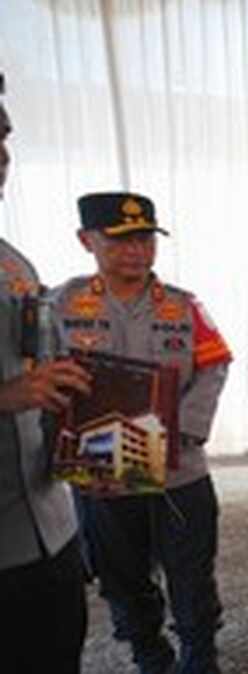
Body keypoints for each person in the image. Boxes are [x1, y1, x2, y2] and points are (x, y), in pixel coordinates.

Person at [51, 191, 232, 674]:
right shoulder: (60, 305)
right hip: (102, 473)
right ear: (87, 240)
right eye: (122, 240)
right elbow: (37, 373)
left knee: (191, 572)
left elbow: (215, 366)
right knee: (121, 574)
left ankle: (199, 655)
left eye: (146, 239)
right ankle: (150, 654)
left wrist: (186, 429)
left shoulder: (182, 306)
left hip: (179, 470)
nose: (137, 251)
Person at [0, 69, 92, 674]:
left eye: (3, 136)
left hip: (51, 528)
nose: (3, 155)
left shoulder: (14, 264)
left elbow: (43, 364)